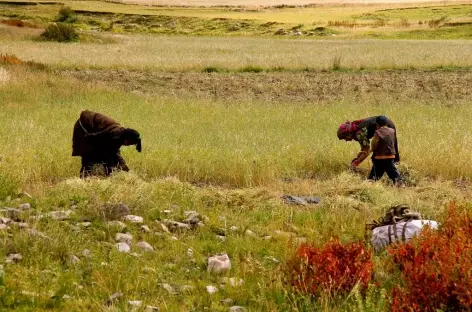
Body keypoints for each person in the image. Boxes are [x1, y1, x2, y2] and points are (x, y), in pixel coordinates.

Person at [72, 110, 141, 178]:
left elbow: (115, 152)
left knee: (103, 157)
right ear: (126, 138)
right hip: (84, 126)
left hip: (94, 133)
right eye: (129, 143)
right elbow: (108, 153)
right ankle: (84, 179)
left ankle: (95, 177)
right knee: (90, 155)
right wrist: (111, 170)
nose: (127, 145)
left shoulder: (120, 135)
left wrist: (125, 170)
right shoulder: (114, 135)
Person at [368, 116, 402, 184]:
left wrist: (371, 150)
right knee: (393, 172)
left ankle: (369, 184)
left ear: (377, 125)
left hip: (380, 157)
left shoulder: (377, 132)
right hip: (391, 156)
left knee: (374, 174)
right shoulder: (392, 131)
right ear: (386, 124)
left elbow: (374, 144)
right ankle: (400, 184)